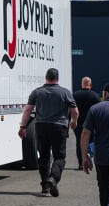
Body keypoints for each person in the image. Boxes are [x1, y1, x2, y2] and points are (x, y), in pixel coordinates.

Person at [18, 68, 78, 197]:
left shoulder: (37, 92)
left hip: (41, 126)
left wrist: (23, 126)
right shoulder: (65, 92)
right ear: (58, 78)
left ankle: (45, 185)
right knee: (59, 157)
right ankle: (53, 178)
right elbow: (75, 111)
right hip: (59, 127)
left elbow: (28, 110)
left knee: (44, 156)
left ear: (46, 77)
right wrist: (74, 121)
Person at [73, 76, 101, 169]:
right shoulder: (95, 95)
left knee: (79, 142)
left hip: (79, 123)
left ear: (82, 84)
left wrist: (72, 120)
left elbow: (71, 109)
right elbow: (99, 110)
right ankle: (89, 153)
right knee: (92, 140)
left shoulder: (75, 95)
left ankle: (81, 164)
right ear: (90, 84)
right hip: (91, 123)